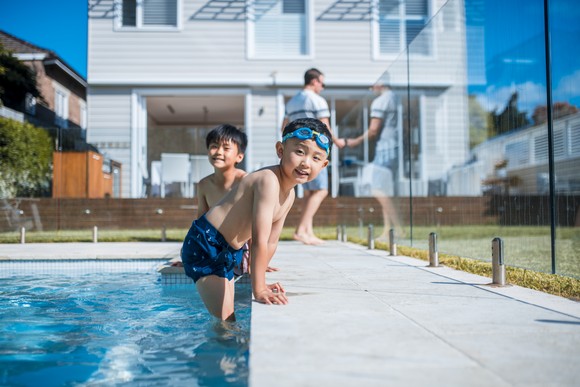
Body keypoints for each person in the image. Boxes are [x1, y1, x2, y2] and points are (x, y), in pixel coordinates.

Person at [181, 117, 332, 321]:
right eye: (299, 152)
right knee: (226, 323)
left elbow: (271, 241)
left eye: (316, 158)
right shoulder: (268, 180)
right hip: (205, 245)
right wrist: (259, 289)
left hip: (228, 250)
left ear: (324, 165)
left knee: (228, 320)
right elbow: (259, 239)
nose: (306, 163)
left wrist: (259, 278)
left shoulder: (290, 195)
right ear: (280, 150)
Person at [280, 68, 345, 245]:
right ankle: (301, 230)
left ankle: (307, 231)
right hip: (314, 151)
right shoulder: (317, 100)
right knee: (321, 190)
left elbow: (283, 127)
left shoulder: (292, 101)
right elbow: (326, 128)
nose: (322, 87)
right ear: (315, 81)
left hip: (297, 150)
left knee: (309, 193)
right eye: (322, 83)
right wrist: (337, 142)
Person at [345, 80, 402, 240]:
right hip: (394, 147)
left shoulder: (381, 100)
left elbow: (373, 130)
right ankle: (388, 230)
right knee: (384, 191)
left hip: (385, 149)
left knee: (377, 189)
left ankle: (398, 228)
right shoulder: (396, 98)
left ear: (381, 84)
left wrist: (355, 141)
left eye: (372, 85)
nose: (371, 89)